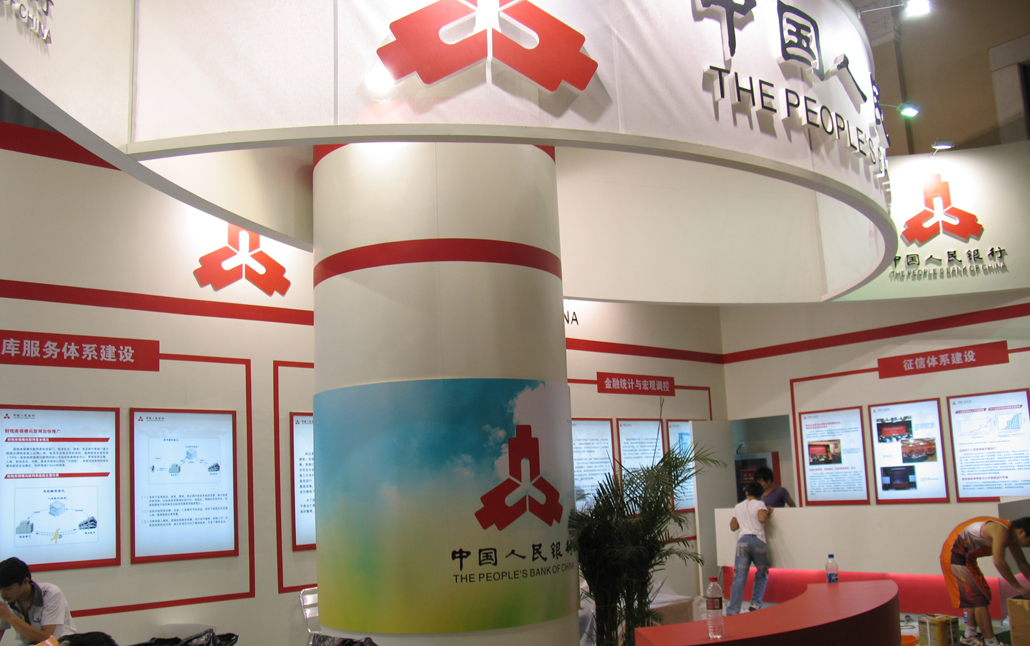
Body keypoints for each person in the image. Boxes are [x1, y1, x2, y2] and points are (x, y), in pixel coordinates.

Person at [940, 516, 1030, 646]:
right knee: (979, 600)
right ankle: (990, 642)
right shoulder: (1001, 530)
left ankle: (969, 634)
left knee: (980, 594)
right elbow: (999, 562)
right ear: (1022, 532)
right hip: (956, 557)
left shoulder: (1011, 536)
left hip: (967, 558)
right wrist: (1018, 587)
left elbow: (1022, 563)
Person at [0, 557, 77, 645]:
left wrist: (10, 617)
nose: (3, 594)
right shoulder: (7, 597)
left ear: (25, 581)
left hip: (61, 643)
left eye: (8, 589)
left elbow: (46, 640)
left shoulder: (51, 593)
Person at [727, 481, 770, 615]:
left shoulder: (738, 506)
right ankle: (755, 604)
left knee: (739, 576)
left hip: (742, 541)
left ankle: (733, 610)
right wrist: (768, 511)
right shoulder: (760, 504)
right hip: (757, 540)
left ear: (747, 493)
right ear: (761, 494)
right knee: (761, 572)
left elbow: (733, 526)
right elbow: (762, 518)